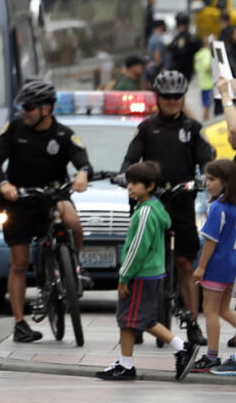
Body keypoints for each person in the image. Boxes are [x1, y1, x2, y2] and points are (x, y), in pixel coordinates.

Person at [0, 79, 92, 343]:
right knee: (20, 263)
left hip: (52, 195)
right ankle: (20, 323)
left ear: (46, 109)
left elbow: (83, 161)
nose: (25, 112)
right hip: (19, 199)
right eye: (24, 107)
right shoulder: (13, 130)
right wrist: (4, 183)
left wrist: (82, 174)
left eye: (30, 107)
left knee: (73, 221)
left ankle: (75, 269)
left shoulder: (63, 134)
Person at [120, 70, 213, 342]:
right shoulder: (147, 128)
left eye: (177, 96)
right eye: (166, 97)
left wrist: (204, 176)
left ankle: (193, 323)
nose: (172, 101)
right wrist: (123, 173)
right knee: (140, 262)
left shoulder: (193, 129)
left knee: (185, 264)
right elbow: (130, 160)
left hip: (183, 203)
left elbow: (206, 160)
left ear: (183, 97)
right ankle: (135, 322)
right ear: (158, 98)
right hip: (152, 204)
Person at [96, 161, 198, 381]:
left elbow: (137, 248)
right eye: (129, 182)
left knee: (127, 319)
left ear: (150, 186)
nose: (129, 187)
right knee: (143, 320)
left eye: (135, 183)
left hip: (140, 275)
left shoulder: (144, 213)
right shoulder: (156, 207)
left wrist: (124, 277)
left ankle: (177, 349)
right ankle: (131, 361)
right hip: (152, 274)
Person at [190, 159, 236, 372]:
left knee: (210, 311)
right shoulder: (233, 206)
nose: (207, 183)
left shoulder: (217, 207)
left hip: (216, 264)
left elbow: (210, 241)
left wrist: (201, 267)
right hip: (230, 262)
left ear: (225, 181)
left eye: (212, 179)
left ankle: (211, 356)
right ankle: (212, 356)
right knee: (224, 309)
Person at [166, 12, 202, 84]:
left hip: (181, 71)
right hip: (185, 70)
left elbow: (181, 55)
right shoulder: (189, 36)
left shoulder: (183, 38)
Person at [197, 43, 216, 113]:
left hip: (202, 84)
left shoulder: (199, 54)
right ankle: (206, 122)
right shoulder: (207, 53)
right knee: (207, 106)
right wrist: (215, 73)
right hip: (209, 84)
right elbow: (207, 67)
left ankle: (205, 120)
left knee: (205, 105)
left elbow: (197, 68)